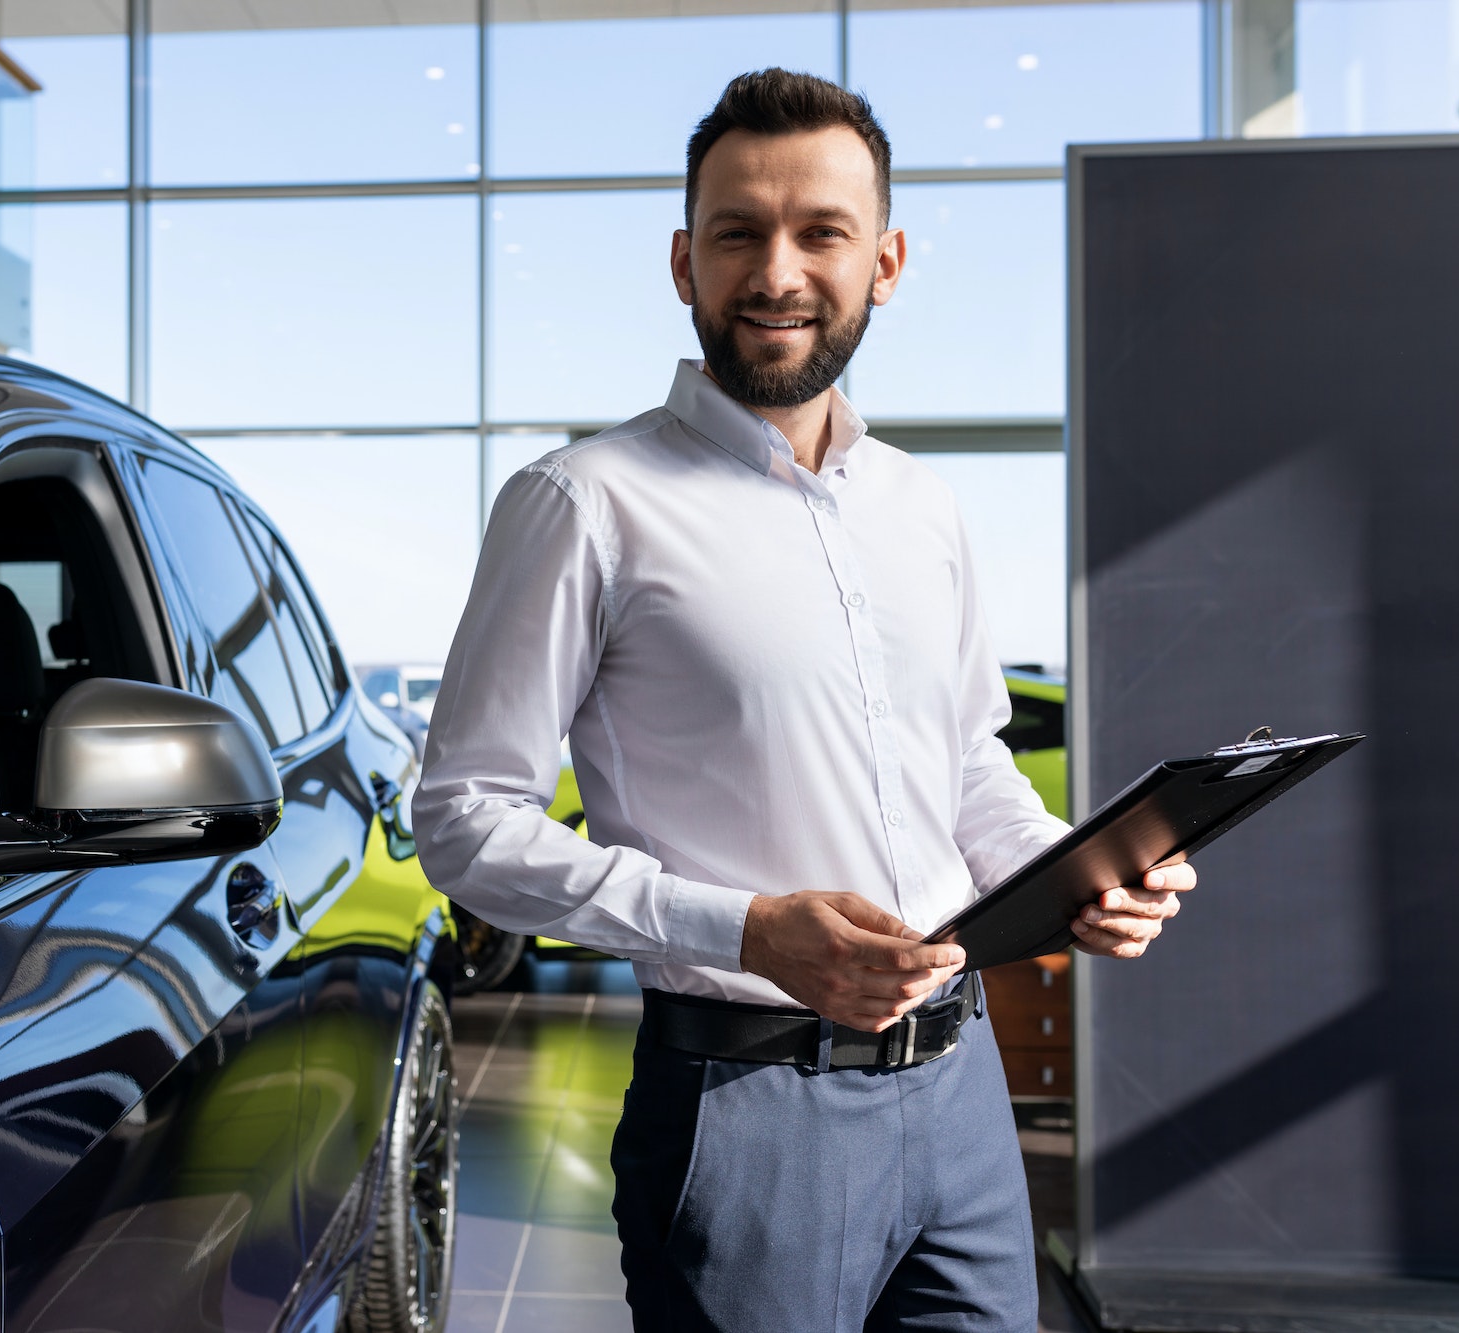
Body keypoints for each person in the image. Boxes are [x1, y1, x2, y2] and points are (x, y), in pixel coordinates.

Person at [412, 68, 1195, 1331]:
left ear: (882, 261)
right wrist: (744, 929)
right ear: (683, 260)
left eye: (820, 232)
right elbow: (461, 819)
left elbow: (968, 769)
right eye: (738, 233)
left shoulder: (922, 507)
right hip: (745, 1113)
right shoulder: (582, 504)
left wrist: (1076, 871)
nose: (776, 271)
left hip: (959, 1100)